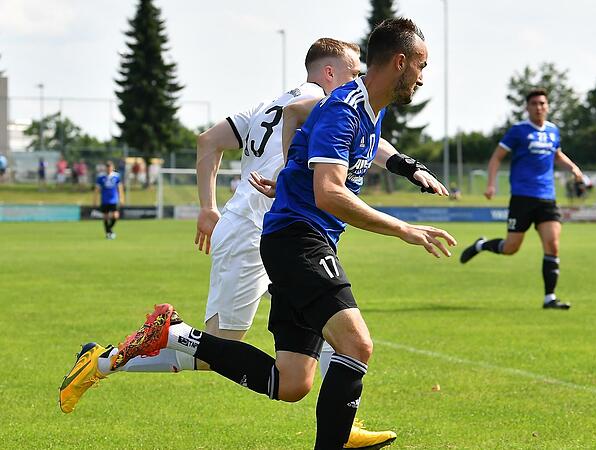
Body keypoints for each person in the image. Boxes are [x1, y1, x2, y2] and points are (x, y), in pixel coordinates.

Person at [60, 34, 446, 448]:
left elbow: (220, 137)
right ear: (331, 70)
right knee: (235, 348)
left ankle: (338, 414)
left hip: (278, 227)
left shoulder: (295, 104)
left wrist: (286, 172)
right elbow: (326, 173)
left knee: (293, 380)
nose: (358, 75)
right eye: (353, 69)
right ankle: (136, 348)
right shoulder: (330, 98)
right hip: (265, 228)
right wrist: (402, 227)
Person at [459, 88, 583, 310]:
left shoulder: (553, 131)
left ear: (547, 106)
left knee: (553, 245)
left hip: (547, 198)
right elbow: (496, 158)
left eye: (542, 103)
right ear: (527, 108)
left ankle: (549, 298)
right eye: (534, 104)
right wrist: (490, 184)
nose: (539, 107)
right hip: (522, 198)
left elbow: (557, 154)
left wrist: (573, 168)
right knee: (511, 248)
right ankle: (482, 245)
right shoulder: (518, 131)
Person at [94, 161, 124, 239]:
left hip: (114, 200)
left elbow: (120, 187)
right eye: (107, 167)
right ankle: (109, 233)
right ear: (105, 168)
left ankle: (109, 230)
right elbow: (97, 189)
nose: (108, 169)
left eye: (110, 167)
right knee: (105, 217)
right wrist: (95, 200)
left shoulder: (116, 176)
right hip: (105, 200)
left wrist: (121, 198)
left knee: (116, 216)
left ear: (112, 167)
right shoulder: (101, 177)